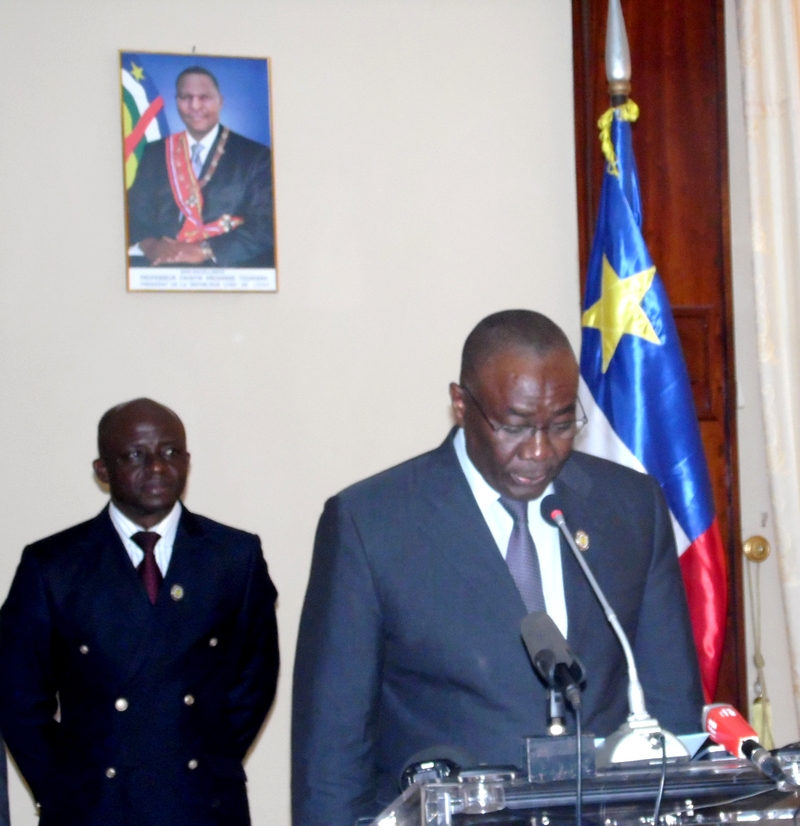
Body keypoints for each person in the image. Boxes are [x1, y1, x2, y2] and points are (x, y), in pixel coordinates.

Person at [292, 309, 703, 826]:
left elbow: (672, 701)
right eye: (514, 427)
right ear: (461, 405)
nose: (539, 451)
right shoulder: (370, 523)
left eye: (559, 425)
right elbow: (331, 753)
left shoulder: (630, 506)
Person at [0, 398, 279, 826]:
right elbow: (17, 698)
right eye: (135, 455)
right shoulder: (53, 565)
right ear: (102, 470)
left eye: (171, 452)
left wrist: (204, 761)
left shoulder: (233, 557)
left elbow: (253, 684)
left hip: (200, 804)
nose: (157, 467)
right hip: (95, 808)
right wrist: (67, 787)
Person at [127, 66, 275, 269]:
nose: (194, 106)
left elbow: (267, 224)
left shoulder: (255, 155)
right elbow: (134, 213)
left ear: (220, 101)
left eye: (204, 97)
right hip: (160, 270)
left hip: (229, 271)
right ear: (176, 102)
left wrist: (204, 250)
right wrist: (149, 245)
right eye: (185, 97)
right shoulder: (155, 152)